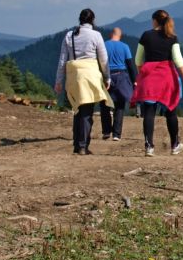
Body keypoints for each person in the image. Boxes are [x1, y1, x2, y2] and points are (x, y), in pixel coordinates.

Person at [130, 10, 183, 156]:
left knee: (149, 112)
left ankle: (149, 146)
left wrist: (143, 73)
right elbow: (178, 59)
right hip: (167, 77)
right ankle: (175, 145)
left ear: (155, 21)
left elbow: (138, 60)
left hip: (149, 78)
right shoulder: (172, 37)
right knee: (171, 112)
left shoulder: (146, 35)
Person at [54, 8, 112, 155]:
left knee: (77, 109)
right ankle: (82, 145)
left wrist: (59, 81)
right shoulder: (96, 35)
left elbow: (62, 60)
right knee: (87, 111)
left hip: (74, 76)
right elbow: (103, 60)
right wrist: (107, 77)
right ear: (93, 20)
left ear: (79, 19)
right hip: (91, 75)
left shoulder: (69, 35)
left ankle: (77, 143)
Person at [100, 27, 136, 140]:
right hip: (121, 76)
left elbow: (99, 62)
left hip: (106, 76)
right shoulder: (125, 47)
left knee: (105, 103)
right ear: (120, 36)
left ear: (111, 34)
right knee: (120, 105)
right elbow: (130, 65)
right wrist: (134, 80)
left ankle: (106, 131)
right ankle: (116, 134)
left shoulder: (104, 45)